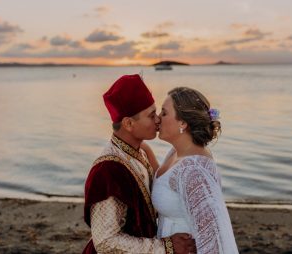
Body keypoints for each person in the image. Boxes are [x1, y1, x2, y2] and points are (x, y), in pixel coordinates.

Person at [83, 74, 196, 254]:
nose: (158, 119)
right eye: (151, 115)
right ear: (128, 123)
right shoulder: (108, 171)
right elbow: (105, 241)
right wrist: (167, 247)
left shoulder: (140, 152)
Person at [151, 87, 239, 254]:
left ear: (182, 123)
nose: (157, 118)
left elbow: (212, 237)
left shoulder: (193, 171)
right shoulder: (177, 153)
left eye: (164, 113)